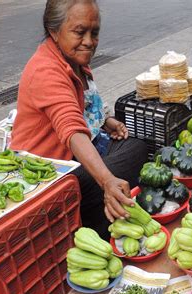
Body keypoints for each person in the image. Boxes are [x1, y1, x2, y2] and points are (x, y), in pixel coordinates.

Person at [10, 0, 148, 238]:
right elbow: (71, 129)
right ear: (53, 31)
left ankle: (101, 216)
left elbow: (84, 104)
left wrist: (105, 121)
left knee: (136, 146)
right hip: (47, 172)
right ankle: (98, 228)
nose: (89, 41)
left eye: (94, 33)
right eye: (79, 32)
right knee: (127, 161)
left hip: (75, 155)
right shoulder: (45, 71)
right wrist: (106, 181)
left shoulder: (75, 60)